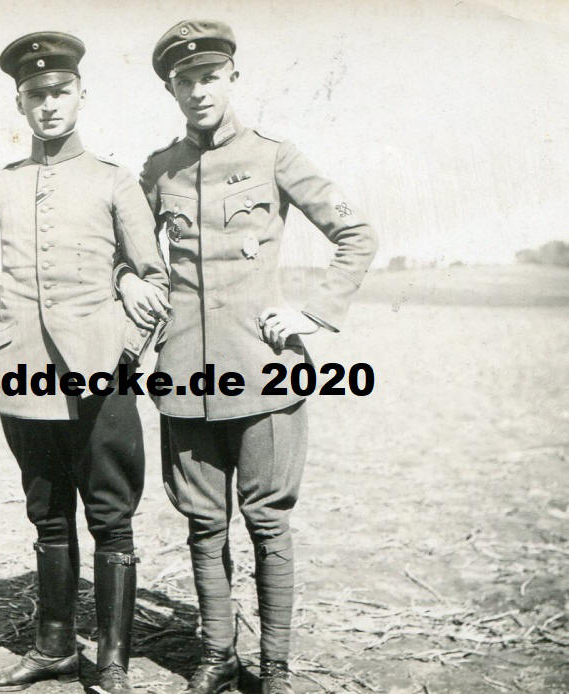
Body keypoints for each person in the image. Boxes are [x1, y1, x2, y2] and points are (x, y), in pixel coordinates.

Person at [116, 20, 378, 694]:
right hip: (184, 376)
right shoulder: (159, 170)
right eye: (185, 80)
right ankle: (217, 656)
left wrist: (312, 315)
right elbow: (126, 250)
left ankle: (275, 667)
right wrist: (126, 279)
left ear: (232, 77)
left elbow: (355, 233)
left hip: (262, 371)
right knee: (204, 524)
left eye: (210, 76)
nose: (199, 90)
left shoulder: (275, 156)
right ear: (170, 89)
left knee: (267, 523)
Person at [0, 31, 169, 694]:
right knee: (48, 515)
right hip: (24, 377)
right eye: (36, 95)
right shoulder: (3, 183)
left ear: (81, 94)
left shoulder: (114, 180)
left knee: (111, 518)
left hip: (101, 376)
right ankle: (54, 647)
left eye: (60, 91)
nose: (49, 104)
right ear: (20, 104)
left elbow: (155, 281)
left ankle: (111, 662)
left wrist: (123, 351)